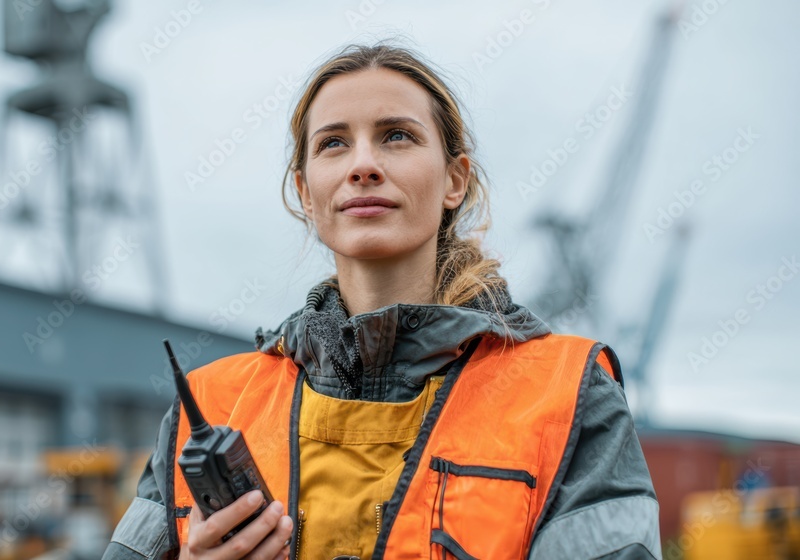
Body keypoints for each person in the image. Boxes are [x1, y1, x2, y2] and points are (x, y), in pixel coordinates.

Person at [103, 42, 661, 560]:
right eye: (333, 143)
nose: (363, 165)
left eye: (397, 135)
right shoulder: (207, 404)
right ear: (305, 192)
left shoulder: (569, 395)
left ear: (454, 181)